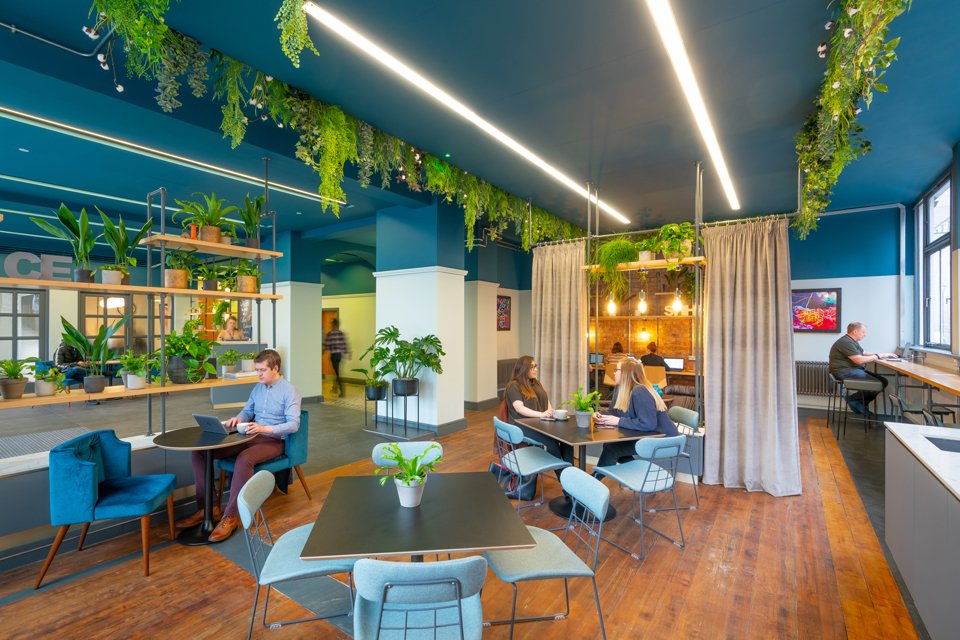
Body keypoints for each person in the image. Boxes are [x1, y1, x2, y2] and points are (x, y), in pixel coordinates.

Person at [176, 349, 302, 542]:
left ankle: (231, 516)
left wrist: (264, 428)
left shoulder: (289, 391)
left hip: (274, 440)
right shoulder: (258, 388)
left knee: (244, 459)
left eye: (262, 370)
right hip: (250, 435)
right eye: (257, 369)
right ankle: (207, 508)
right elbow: (247, 410)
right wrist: (238, 419)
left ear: (275, 368)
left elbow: (293, 425)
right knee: (200, 452)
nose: (258, 373)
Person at [592, 358, 679, 469]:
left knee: (612, 449)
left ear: (625, 373)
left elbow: (648, 424)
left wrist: (619, 421)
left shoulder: (640, 391)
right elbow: (615, 412)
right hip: (650, 435)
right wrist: (600, 415)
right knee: (611, 446)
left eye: (616, 369)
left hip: (664, 440)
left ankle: (592, 481)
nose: (613, 372)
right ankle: (638, 474)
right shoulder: (621, 388)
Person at [503, 355, 574, 476]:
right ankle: (565, 480)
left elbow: (546, 400)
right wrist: (542, 414)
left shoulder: (535, 383)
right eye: (532, 367)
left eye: (535, 366)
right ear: (523, 369)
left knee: (567, 441)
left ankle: (570, 475)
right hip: (523, 426)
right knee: (551, 443)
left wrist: (551, 411)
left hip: (539, 424)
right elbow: (519, 408)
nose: (535, 369)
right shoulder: (514, 386)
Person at [829, 322, 897, 416]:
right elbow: (859, 360)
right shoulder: (846, 342)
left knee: (883, 381)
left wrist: (883, 355)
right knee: (877, 384)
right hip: (843, 372)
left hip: (850, 370)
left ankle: (857, 402)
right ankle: (856, 402)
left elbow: (862, 353)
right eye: (863, 332)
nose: (865, 334)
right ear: (855, 331)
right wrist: (878, 356)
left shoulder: (851, 341)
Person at [323, 318, 349, 397]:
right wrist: (347, 352)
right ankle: (334, 388)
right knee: (336, 371)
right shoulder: (341, 333)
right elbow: (344, 344)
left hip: (333, 355)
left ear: (333, 324)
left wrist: (323, 351)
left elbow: (326, 345)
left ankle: (342, 390)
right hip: (339, 355)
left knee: (337, 373)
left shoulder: (330, 334)